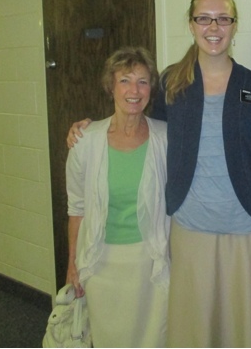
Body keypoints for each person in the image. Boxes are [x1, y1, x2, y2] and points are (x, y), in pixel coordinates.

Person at [67, 0, 251, 347]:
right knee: (194, 330)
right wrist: (89, 129)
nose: (213, 27)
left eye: (223, 18)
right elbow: (141, 122)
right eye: (204, 18)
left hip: (245, 225)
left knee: (242, 328)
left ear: (234, 25)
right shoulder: (172, 82)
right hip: (190, 227)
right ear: (191, 24)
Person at [65, 46, 170, 347]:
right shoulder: (85, 141)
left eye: (142, 81)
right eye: (125, 80)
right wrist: (73, 264)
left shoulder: (166, 138)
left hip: (150, 262)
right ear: (111, 86)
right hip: (101, 262)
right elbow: (77, 209)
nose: (134, 91)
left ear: (151, 89)